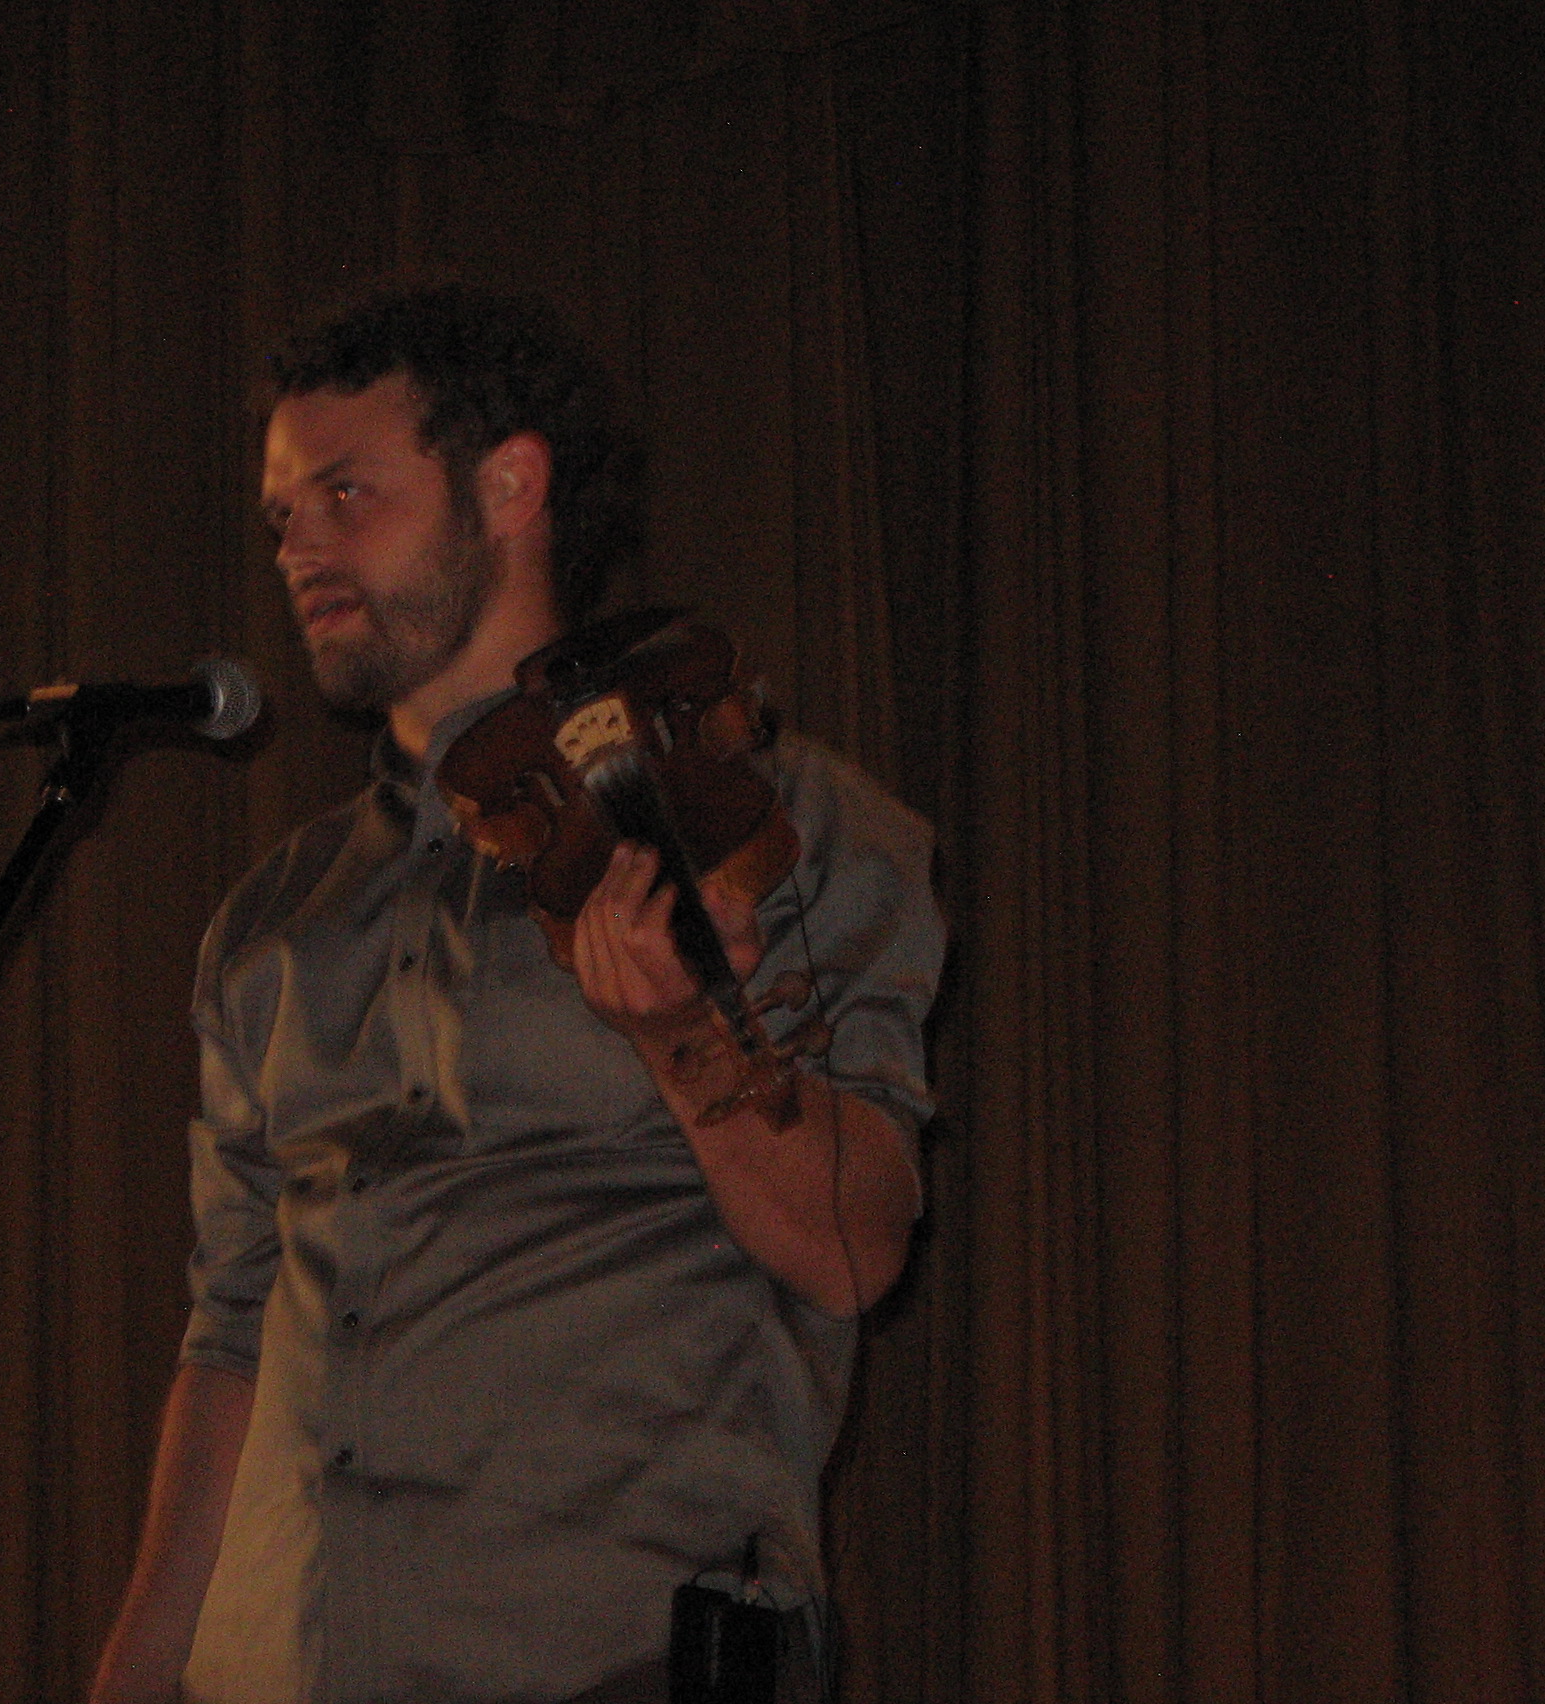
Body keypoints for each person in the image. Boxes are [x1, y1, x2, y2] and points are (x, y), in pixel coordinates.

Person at [88, 285, 943, 1704]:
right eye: (283, 514)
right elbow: (231, 1330)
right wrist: (135, 1674)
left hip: (609, 1660)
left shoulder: (762, 820)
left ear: (510, 486)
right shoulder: (274, 922)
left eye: (347, 492)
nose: (298, 547)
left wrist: (681, 1038)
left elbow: (854, 1249)